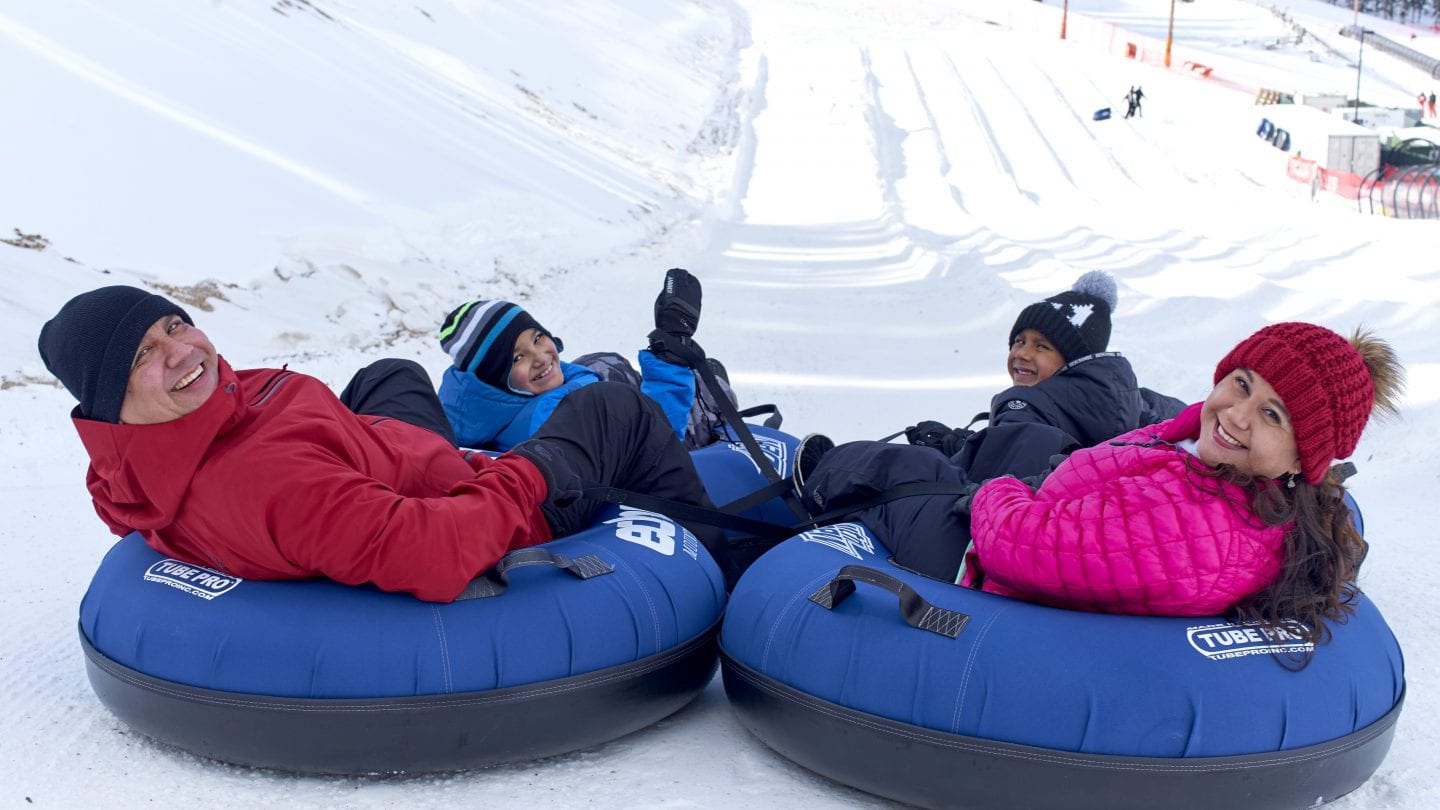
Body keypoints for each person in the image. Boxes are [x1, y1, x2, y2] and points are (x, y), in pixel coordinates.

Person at [39, 285, 736, 602]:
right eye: (142, 357)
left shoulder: (181, 426)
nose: (181, 350)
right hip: (486, 509)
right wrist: (520, 476)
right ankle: (722, 565)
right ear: (113, 403)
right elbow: (430, 549)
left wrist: (387, 444)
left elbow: (312, 446)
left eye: (173, 326)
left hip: (398, 462)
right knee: (611, 406)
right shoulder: (261, 483)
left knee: (389, 374)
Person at [798, 322, 1404, 653]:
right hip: (1042, 509)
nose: (1238, 415)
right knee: (986, 453)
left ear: (1306, 458)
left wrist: (992, 493)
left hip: (985, 563)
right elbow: (1151, 449)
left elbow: (1024, 547)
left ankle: (807, 480)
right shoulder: (1225, 472)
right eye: (1241, 384)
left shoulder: (1204, 528)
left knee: (901, 477)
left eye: (1273, 416)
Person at [902, 271, 1184, 483]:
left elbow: (993, 475)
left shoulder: (1027, 403)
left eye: (1042, 346)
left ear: (1074, 362)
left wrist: (951, 451)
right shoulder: (1140, 404)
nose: (1022, 354)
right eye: (1019, 341)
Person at [437, 268, 737, 451]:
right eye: (518, 357)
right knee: (712, 387)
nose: (541, 357)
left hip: (603, 431)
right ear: (493, 376)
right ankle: (712, 419)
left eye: (538, 338)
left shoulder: (480, 402)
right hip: (655, 455)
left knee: (602, 364)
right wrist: (671, 352)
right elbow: (653, 442)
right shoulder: (549, 419)